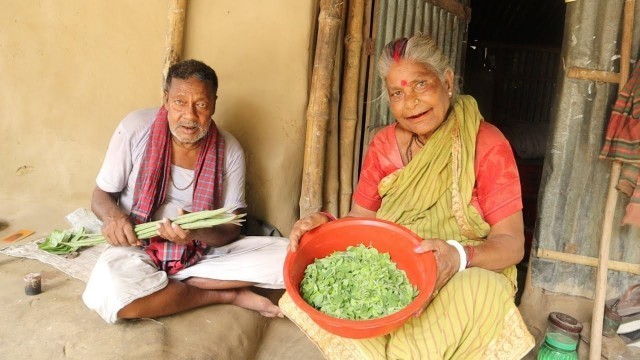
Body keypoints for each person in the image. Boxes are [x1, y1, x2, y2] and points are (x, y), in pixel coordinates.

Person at [281, 35, 535, 359]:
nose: (410, 102)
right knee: (341, 308)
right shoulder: (384, 145)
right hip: (395, 272)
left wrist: (458, 256)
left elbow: (512, 243)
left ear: (446, 82)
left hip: (463, 273)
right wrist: (325, 225)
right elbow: (360, 220)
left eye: (420, 85)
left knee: (460, 307)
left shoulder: (485, 143)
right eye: (397, 93)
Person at [82, 59, 288, 324]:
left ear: (213, 103)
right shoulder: (135, 127)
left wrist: (197, 232)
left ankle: (174, 281)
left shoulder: (229, 149)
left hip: (201, 251)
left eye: (200, 104)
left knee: (290, 259)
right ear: (166, 99)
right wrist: (114, 218)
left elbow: (232, 227)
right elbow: (101, 195)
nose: (189, 115)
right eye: (179, 102)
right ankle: (224, 294)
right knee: (114, 294)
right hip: (137, 245)